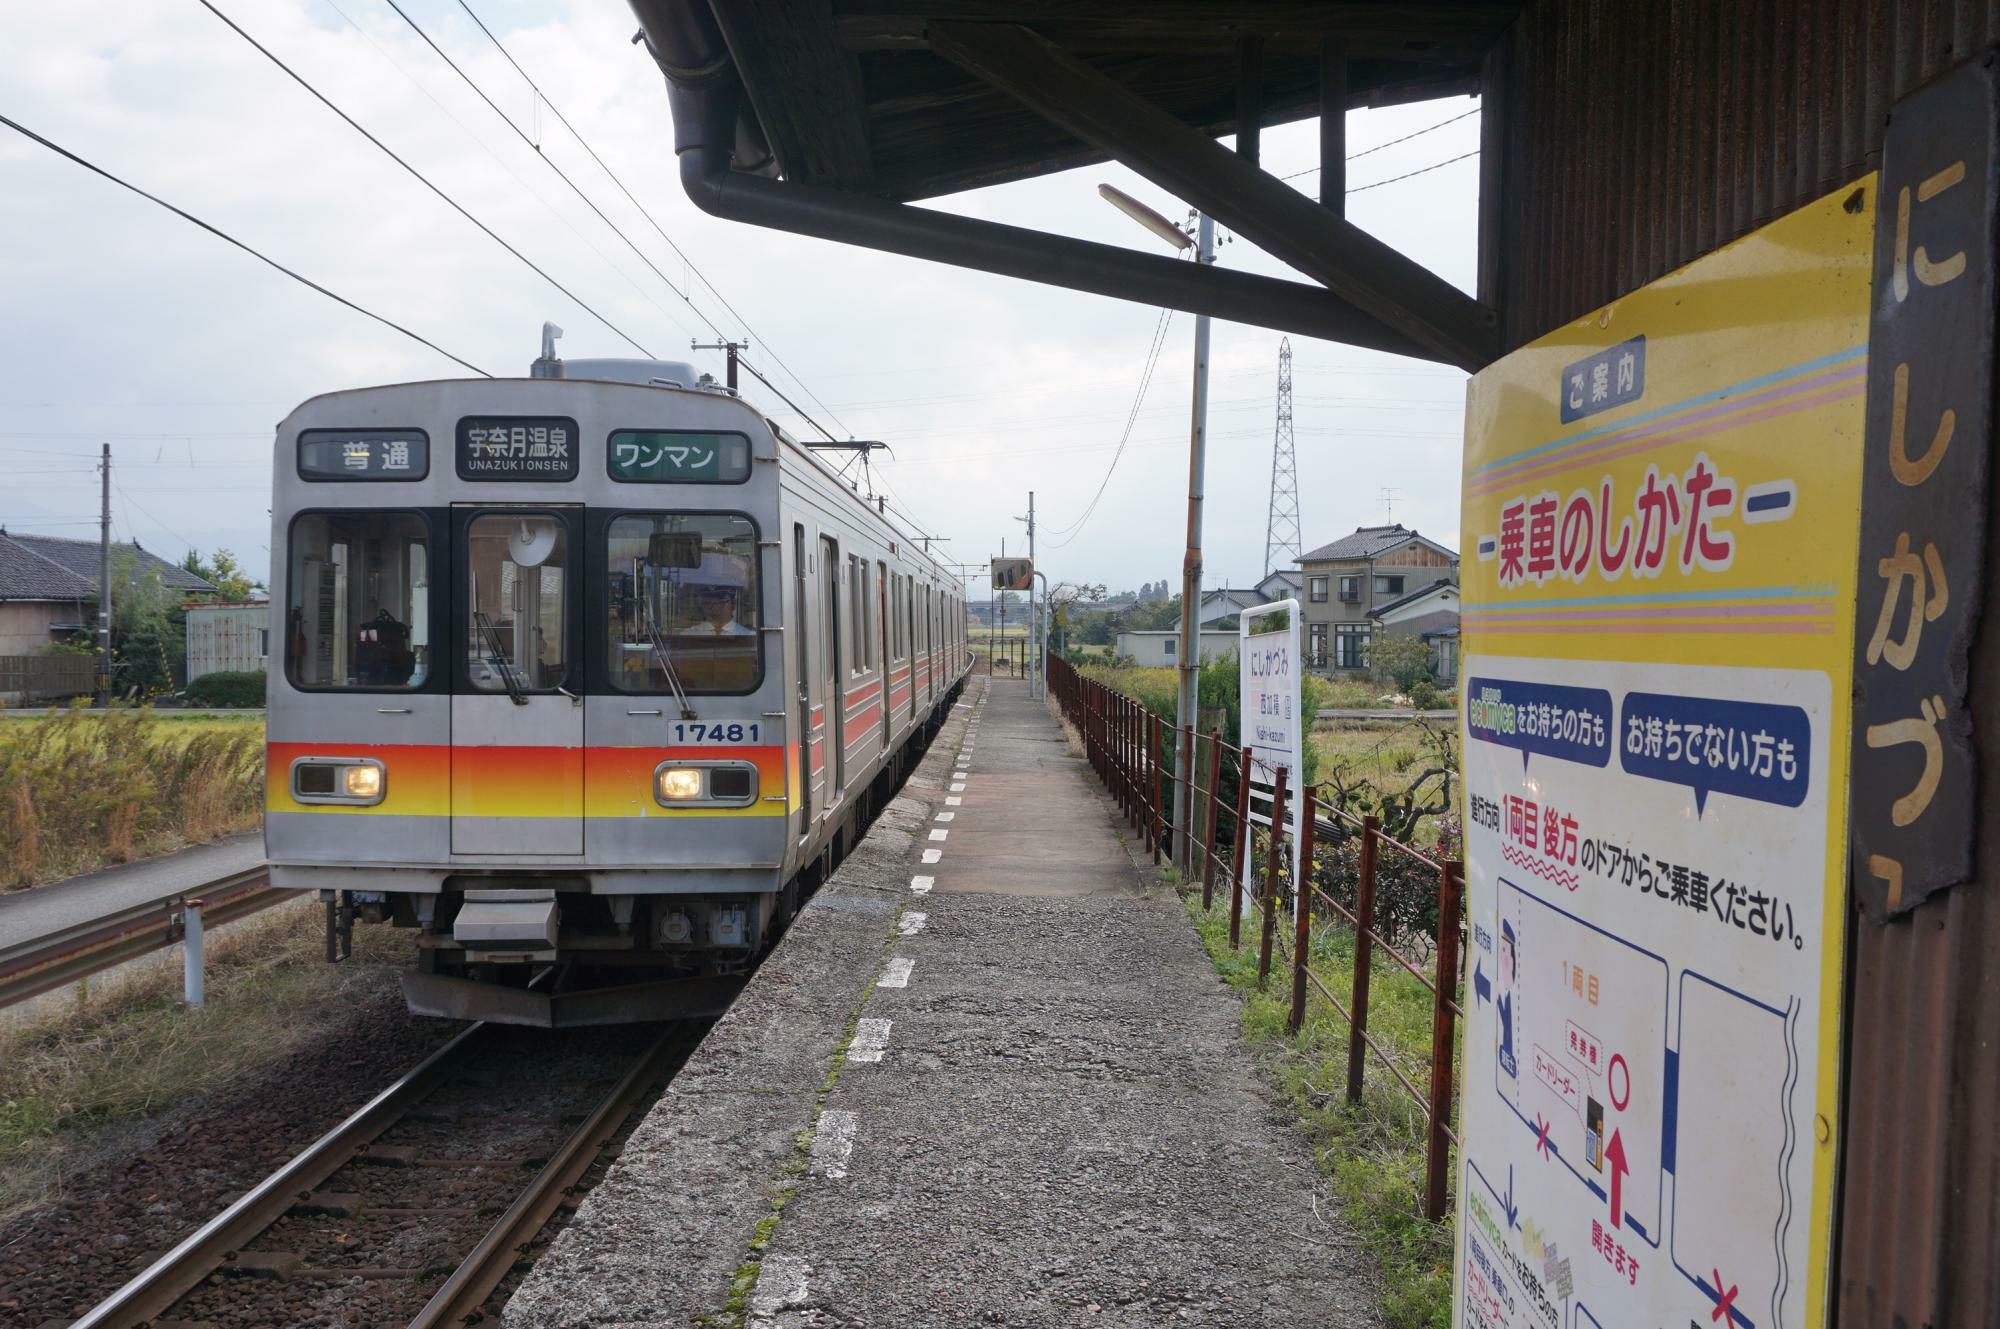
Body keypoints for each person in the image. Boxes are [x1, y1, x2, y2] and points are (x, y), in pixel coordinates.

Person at [679, 555, 755, 637]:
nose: (714, 608)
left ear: (733, 604)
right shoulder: (689, 635)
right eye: (708, 603)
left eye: (720, 602)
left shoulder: (748, 636)